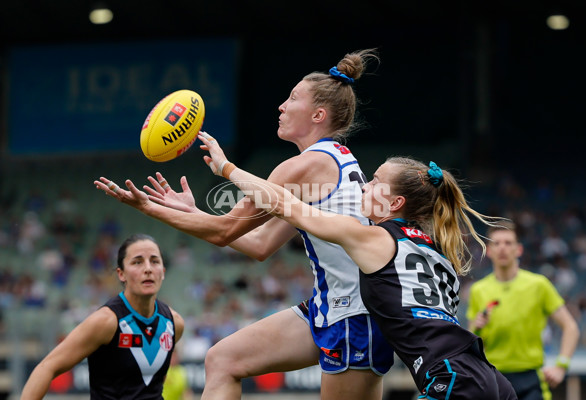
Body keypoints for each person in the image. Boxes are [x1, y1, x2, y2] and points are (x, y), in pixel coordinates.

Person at [94, 48, 394, 400]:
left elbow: (226, 231)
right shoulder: (330, 161)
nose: (281, 106)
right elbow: (260, 244)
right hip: (330, 308)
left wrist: (149, 208)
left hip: (355, 317)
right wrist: (191, 212)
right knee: (223, 359)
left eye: (292, 98)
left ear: (318, 114)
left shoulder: (304, 166)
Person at [193, 132, 518, 399]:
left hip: (451, 380)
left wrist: (226, 168)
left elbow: (286, 205)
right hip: (488, 379)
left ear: (395, 203)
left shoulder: (376, 239)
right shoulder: (435, 250)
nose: (365, 186)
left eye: (375, 182)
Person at [20, 234, 185, 400]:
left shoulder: (174, 324)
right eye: (137, 262)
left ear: (162, 272)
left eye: (155, 261)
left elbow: (153, 384)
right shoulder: (106, 321)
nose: (148, 268)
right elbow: (47, 367)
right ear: (121, 274)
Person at [467, 221, 580, 400]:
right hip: (493, 377)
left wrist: (561, 366)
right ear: (489, 250)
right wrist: (477, 327)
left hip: (531, 378)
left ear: (518, 249)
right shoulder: (478, 290)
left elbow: (570, 327)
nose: (502, 248)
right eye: (496, 243)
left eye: (508, 243)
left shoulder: (539, 285)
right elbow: (473, 340)